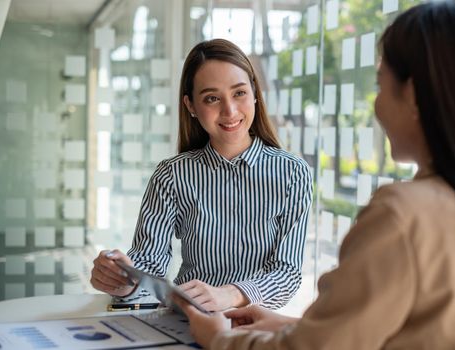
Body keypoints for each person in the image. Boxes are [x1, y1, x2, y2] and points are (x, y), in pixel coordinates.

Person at [176, 1, 455, 349]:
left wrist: (220, 338)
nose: (376, 104)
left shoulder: (404, 215)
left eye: (380, 83)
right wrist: (292, 325)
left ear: (413, 94)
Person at [90, 38, 313, 311]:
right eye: (212, 98)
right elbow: (150, 263)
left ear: (255, 92)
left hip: (256, 329)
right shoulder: (171, 176)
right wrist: (123, 279)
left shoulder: (292, 173)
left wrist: (230, 294)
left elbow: (286, 274)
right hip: (187, 324)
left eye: (239, 93)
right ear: (191, 106)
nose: (229, 111)